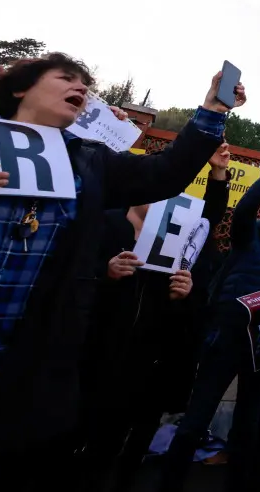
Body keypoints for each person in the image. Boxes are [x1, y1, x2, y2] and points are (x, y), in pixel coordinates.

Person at [0, 55, 237, 486]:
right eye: (66, 78)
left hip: (24, 362)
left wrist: (212, 111)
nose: (81, 88)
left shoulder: (91, 161)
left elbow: (163, 174)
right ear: (19, 89)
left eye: (85, 84)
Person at [76, 142, 233, 492]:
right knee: (94, 429)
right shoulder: (106, 222)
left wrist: (184, 292)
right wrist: (107, 272)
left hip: (154, 356)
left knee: (141, 427)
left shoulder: (174, 239)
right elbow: (73, 274)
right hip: (101, 349)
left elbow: (210, 220)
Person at [160, 149, 260, 492]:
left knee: (248, 424)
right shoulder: (249, 235)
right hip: (226, 338)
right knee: (196, 419)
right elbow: (243, 209)